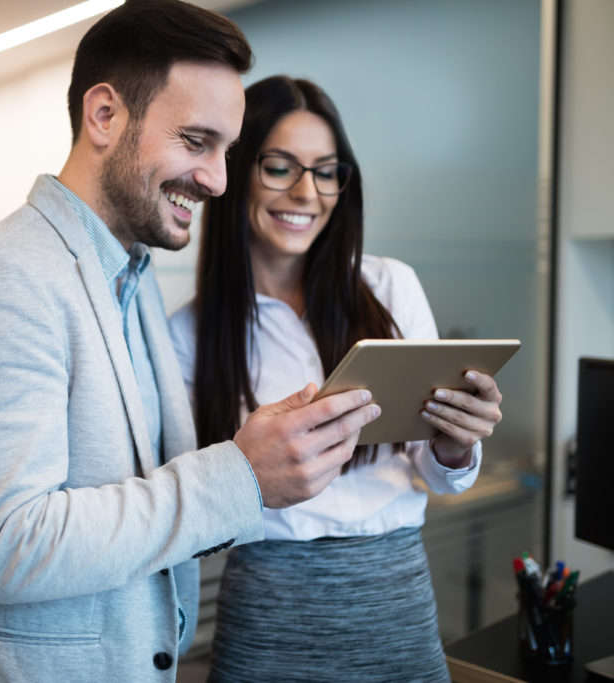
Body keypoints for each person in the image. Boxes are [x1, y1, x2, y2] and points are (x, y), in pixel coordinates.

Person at [0, 4, 382, 680]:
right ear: (103, 115)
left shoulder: (129, 277)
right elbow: (13, 546)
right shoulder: (3, 279)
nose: (219, 179)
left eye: (226, 149)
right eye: (196, 141)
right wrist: (240, 474)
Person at [168, 75, 506, 681]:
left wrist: (456, 447)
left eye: (327, 171)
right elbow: (192, 511)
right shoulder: (188, 334)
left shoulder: (390, 286)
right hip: (268, 610)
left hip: (394, 598)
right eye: (280, 167)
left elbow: (435, 476)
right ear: (236, 170)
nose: (307, 192)